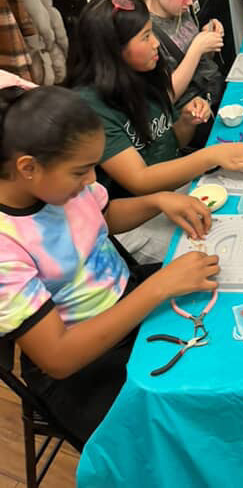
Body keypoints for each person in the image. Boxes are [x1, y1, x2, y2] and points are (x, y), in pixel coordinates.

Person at [0, 85, 220, 445]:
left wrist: (158, 201)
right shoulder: (6, 244)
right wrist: (158, 288)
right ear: (28, 167)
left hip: (128, 302)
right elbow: (58, 357)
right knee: (192, 426)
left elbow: (100, 217)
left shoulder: (57, 187)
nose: (91, 180)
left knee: (221, 307)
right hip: (85, 367)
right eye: (80, 172)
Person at [66, 0, 243, 262]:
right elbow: (140, 180)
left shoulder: (144, 74)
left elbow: (169, 144)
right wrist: (209, 156)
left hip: (170, 192)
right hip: (133, 219)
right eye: (145, 36)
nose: (156, 43)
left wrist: (186, 122)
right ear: (113, 49)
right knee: (225, 253)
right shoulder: (91, 107)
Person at [143, 0, 225, 116]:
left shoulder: (180, 10)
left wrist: (208, 41)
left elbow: (201, 63)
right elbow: (165, 98)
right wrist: (197, 48)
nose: (190, 2)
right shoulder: (145, 30)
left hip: (213, 95)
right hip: (190, 115)